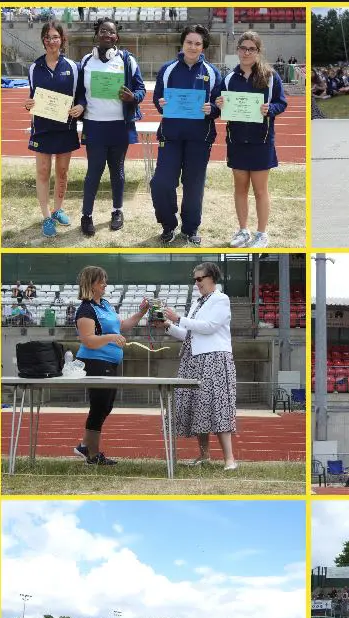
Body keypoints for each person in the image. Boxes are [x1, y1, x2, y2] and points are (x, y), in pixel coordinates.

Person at [160, 262, 238, 470]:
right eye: (195, 279)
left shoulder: (221, 299)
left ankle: (229, 459)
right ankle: (204, 455)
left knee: (218, 406)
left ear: (212, 278)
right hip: (194, 358)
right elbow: (189, 334)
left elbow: (209, 327)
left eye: (199, 279)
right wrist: (169, 326)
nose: (197, 283)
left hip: (214, 359)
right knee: (198, 407)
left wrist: (178, 318)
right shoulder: (197, 303)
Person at [214, 30, 288, 249]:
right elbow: (219, 105)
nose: (246, 52)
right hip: (237, 140)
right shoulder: (229, 78)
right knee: (240, 189)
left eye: (251, 49)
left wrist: (270, 109)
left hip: (261, 141)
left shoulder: (270, 77)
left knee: (260, 190)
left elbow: (281, 103)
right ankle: (243, 230)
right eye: (243, 48)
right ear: (237, 50)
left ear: (258, 51)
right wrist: (219, 103)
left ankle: (261, 234)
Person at [74, 17, 145, 237]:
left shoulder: (127, 60)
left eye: (111, 32)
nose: (107, 34)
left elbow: (141, 90)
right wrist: (80, 104)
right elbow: (80, 94)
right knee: (93, 172)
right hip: (94, 126)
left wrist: (133, 97)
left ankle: (117, 211)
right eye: (103, 31)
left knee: (117, 171)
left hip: (119, 126)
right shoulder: (86, 61)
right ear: (97, 34)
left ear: (117, 37)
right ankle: (87, 215)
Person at [151, 24, 221, 246]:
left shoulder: (212, 72)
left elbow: (219, 105)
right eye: (189, 42)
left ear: (203, 47)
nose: (193, 47)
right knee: (161, 183)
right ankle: (168, 225)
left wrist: (213, 109)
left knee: (194, 187)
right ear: (182, 44)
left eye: (197, 43)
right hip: (171, 137)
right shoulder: (168, 69)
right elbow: (158, 99)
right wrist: (161, 104)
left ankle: (190, 228)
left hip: (200, 139)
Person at [73, 265, 148, 466]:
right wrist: (111, 337)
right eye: (101, 281)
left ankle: (85, 446)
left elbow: (122, 326)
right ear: (91, 284)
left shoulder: (105, 304)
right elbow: (88, 340)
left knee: (105, 406)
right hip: (95, 362)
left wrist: (141, 313)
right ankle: (92, 455)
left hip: (109, 362)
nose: (105, 284)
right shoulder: (86, 309)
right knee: (99, 406)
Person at [24, 21, 82, 237]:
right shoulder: (34, 68)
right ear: (43, 40)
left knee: (62, 171)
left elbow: (81, 96)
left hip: (65, 128)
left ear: (62, 39)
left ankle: (58, 210)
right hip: (42, 128)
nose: (51, 41)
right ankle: (46, 216)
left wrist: (80, 106)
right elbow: (32, 98)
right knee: (42, 171)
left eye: (55, 37)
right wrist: (28, 104)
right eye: (47, 37)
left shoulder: (73, 67)